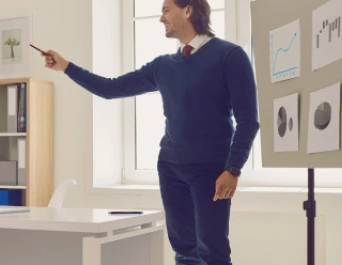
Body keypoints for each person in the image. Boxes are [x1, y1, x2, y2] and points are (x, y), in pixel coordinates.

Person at [41, 0, 259, 264]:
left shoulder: (230, 55)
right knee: (184, 251)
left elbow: (248, 120)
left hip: (211, 170)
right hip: (170, 167)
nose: (161, 18)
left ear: (188, 10)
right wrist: (66, 67)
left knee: (213, 251)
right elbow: (111, 89)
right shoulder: (163, 66)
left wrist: (233, 168)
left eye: (166, 10)